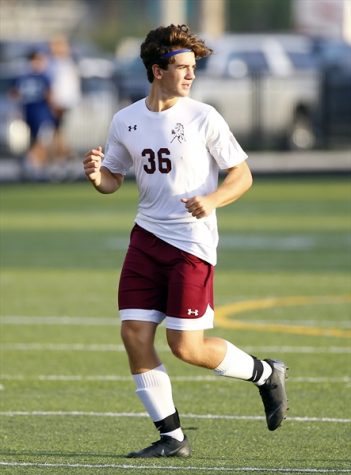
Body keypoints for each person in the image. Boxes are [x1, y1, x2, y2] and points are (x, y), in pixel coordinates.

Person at [83, 24, 288, 459]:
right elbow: (113, 181)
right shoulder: (126, 119)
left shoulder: (203, 116)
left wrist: (212, 199)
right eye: (183, 67)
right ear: (157, 70)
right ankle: (172, 438)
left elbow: (242, 175)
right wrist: (97, 175)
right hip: (145, 239)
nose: (191, 75)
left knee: (186, 347)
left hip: (190, 246)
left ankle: (265, 373)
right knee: (134, 334)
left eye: (194, 67)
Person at [12, 49, 56, 175]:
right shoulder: (42, 76)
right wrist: (52, 109)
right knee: (42, 141)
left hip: (29, 113)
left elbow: (15, 94)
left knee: (37, 141)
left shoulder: (22, 77)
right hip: (41, 114)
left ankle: (37, 166)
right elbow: (49, 95)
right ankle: (32, 164)